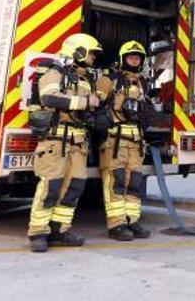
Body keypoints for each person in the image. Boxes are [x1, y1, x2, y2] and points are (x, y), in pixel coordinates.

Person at [26, 33, 102, 253]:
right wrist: (85, 102)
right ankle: (38, 232)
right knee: (51, 186)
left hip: (78, 142)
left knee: (74, 187)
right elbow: (49, 97)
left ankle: (61, 229)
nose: (94, 58)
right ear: (78, 51)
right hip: (55, 140)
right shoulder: (55, 71)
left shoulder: (86, 79)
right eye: (91, 53)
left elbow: (91, 109)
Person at [95, 40, 153, 241]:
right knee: (116, 182)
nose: (135, 60)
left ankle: (132, 220)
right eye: (131, 56)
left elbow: (145, 110)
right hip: (115, 141)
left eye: (138, 57)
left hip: (136, 142)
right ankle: (116, 224)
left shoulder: (142, 83)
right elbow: (96, 106)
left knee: (135, 183)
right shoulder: (109, 79)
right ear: (123, 58)